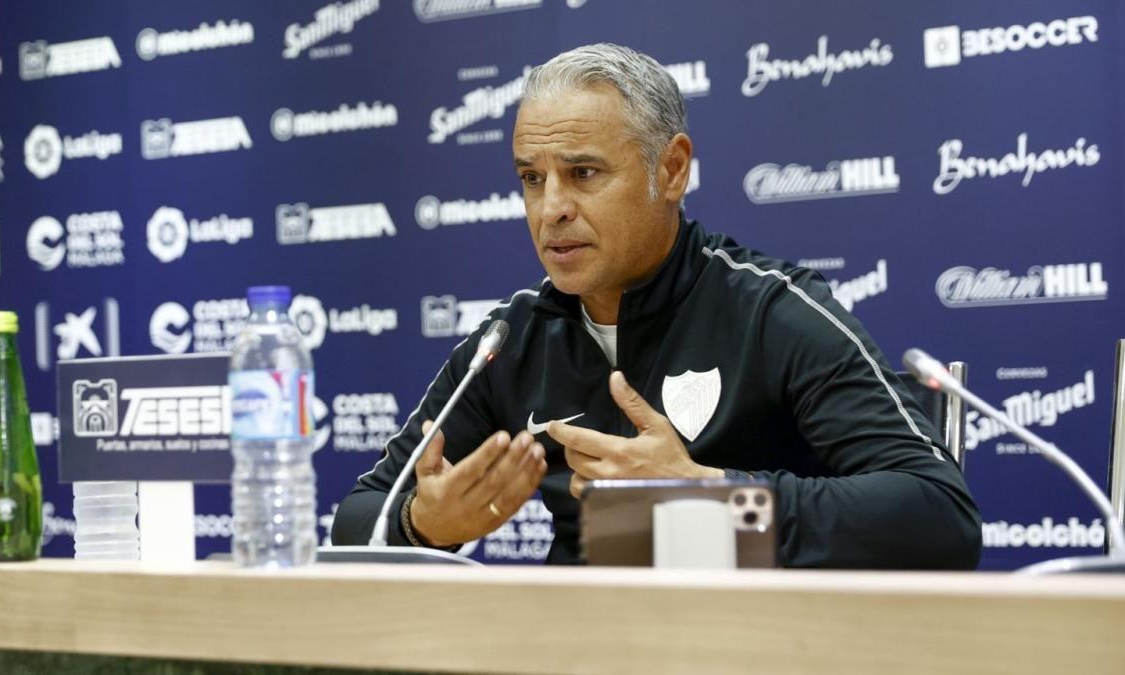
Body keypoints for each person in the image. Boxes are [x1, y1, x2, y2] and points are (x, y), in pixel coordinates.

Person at [332, 43, 982, 568]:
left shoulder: (772, 310)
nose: (550, 208)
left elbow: (938, 512)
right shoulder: (512, 339)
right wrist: (422, 521)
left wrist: (712, 496)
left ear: (671, 170)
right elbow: (358, 515)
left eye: (583, 173)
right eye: (532, 178)